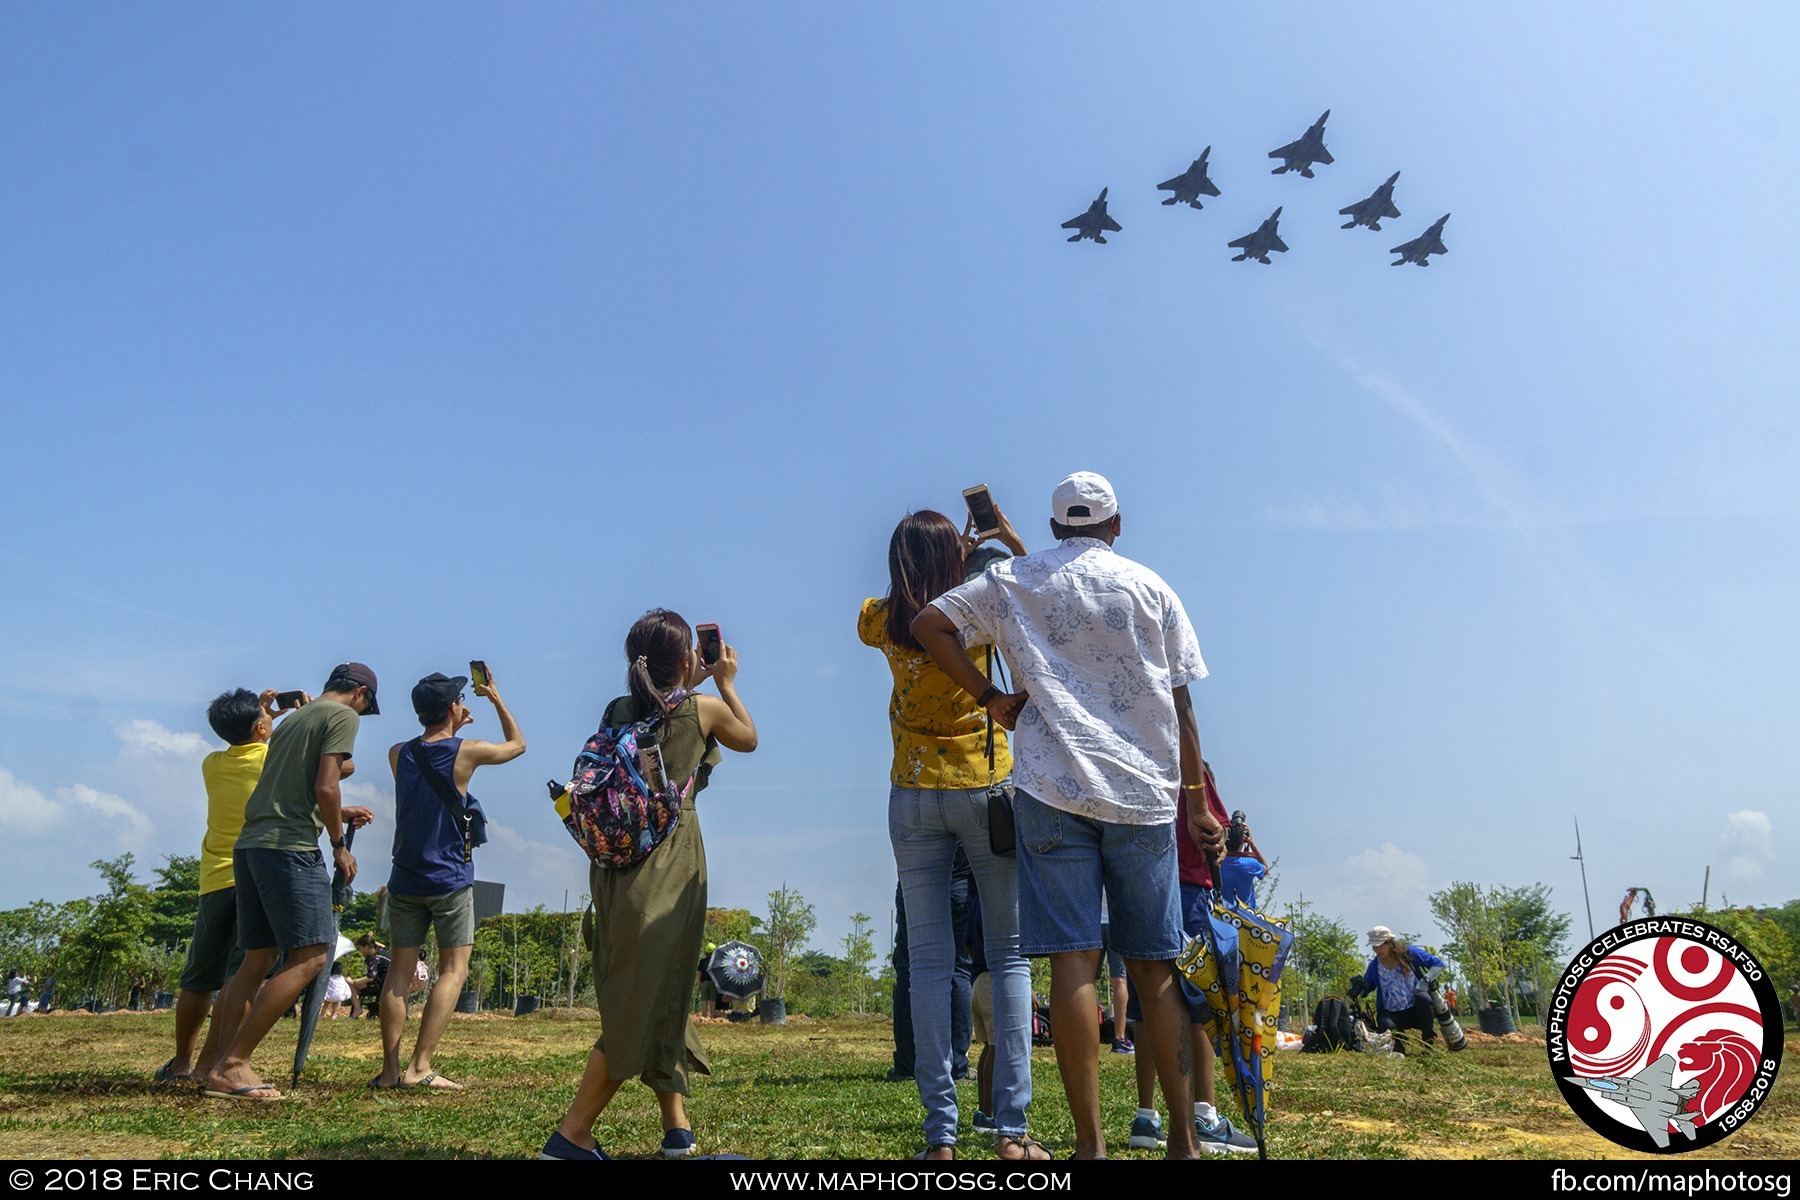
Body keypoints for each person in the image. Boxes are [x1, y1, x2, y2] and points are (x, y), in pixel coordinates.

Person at [913, 471, 1219, 1160]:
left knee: (1074, 967)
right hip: (1143, 795)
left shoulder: (1015, 581)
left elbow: (928, 623)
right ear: (1115, 526)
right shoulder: (1152, 587)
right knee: (1154, 967)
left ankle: (1090, 1145)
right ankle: (1183, 1142)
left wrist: (990, 697)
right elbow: (1183, 707)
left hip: (1051, 790)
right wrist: (1195, 802)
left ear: (1055, 529)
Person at [541, 610, 758, 1161]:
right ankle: (571, 1136)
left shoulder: (617, 710)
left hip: (614, 871)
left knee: (661, 991)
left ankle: (676, 1132)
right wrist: (726, 683)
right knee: (641, 1002)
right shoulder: (704, 709)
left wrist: (689, 680)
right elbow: (749, 738)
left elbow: (657, 715)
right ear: (686, 659)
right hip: (668, 866)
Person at [862, 507, 1044, 1162]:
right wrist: (1001, 543)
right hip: (984, 793)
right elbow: (1029, 587)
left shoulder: (877, 619)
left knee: (930, 961)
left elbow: (883, 612)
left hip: (911, 798)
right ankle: (1011, 1131)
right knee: (1009, 955)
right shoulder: (981, 610)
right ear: (955, 560)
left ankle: (939, 1136)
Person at [200, 663, 380, 1101]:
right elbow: (326, 784)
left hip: (251, 844)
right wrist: (339, 843)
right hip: (289, 846)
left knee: (256, 958)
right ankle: (233, 1064)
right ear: (360, 694)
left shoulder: (294, 719)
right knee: (312, 956)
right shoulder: (343, 716)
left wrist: (334, 815)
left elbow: (308, 779)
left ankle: (214, 1065)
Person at [370, 669, 525, 1091]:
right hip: (450, 880)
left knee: (398, 975)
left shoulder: (397, 753)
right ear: (455, 706)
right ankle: (419, 1068)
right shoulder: (467, 752)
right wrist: (495, 698)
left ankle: (389, 1072)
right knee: (453, 971)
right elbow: (517, 746)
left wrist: (452, 724)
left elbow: (429, 755)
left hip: (403, 878)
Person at [157, 688, 308, 1084]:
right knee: (243, 974)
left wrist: (261, 716)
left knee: (198, 978)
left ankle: (181, 1064)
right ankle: (220, 1061)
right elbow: (319, 767)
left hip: (213, 878)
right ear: (261, 728)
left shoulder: (212, 763)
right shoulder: (271, 758)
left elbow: (250, 746)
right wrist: (301, 716)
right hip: (254, 873)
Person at [1124, 760, 1257, 1153]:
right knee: (1201, 1005)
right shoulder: (1192, 771)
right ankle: (1204, 1115)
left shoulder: (1138, 764)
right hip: (1188, 889)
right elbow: (1211, 832)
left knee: (1145, 1007)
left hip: (1140, 885)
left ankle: (1145, 1117)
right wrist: (1233, 834)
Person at [887, 852, 974, 1083]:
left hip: (913, 882)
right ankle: (957, 1066)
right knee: (959, 971)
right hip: (959, 882)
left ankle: (907, 1065)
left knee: (909, 970)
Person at [1348, 926, 1447, 1054]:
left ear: (1390, 943)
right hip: (1392, 1013)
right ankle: (1398, 1045)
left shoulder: (1409, 953)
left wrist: (1425, 981)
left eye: (1379, 945)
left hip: (1415, 1010)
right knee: (1384, 1023)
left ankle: (1428, 1042)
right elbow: (1367, 988)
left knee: (1424, 999)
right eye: (1374, 946)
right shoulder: (1374, 966)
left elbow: (1438, 964)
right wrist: (1359, 988)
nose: (1376, 949)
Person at [1217, 803, 1267, 911]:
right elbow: (1265, 868)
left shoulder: (1217, 863)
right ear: (1243, 840)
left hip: (1223, 915)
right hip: (1247, 917)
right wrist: (1251, 843)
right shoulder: (1250, 864)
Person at [349, 933, 390, 1019]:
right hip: (389, 982)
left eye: (360, 948)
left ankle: (357, 1009)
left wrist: (354, 981)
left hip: (379, 984)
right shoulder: (382, 951)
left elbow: (371, 977)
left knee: (350, 984)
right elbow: (382, 945)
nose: (360, 951)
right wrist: (369, 937)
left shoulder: (374, 959)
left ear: (367, 947)